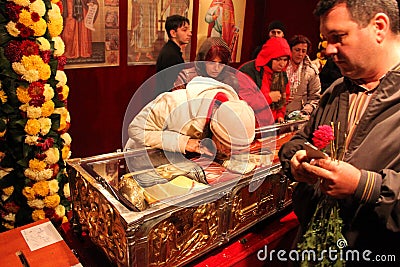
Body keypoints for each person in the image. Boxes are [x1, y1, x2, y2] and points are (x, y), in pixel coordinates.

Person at [279, 0, 400, 260]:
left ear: (379, 27)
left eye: (338, 37)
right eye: (325, 39)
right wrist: (297, 160)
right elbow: (301, 140)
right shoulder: (337, 90)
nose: (328, 50)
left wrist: (363, 185)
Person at [125, 76, 255, 158]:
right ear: (215, 130)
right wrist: (183, 142)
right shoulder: (175, 104)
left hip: (173, 159)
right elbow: (135, 129)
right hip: (143, 156)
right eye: (227, 147)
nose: (228, 153)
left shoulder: (233, 109)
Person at [174, 37, 273, 127]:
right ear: (203, 60)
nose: (216, 68)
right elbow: (175, 111)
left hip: (221, 132)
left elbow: (235, 113)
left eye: (221, 64)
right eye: (212, 62)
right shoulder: (186, 77)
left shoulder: (231, 81)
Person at [239, 37, 291, 124]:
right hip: (250, 125)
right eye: (278, 59)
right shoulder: (248, 71)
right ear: (269, 57)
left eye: (285, 60)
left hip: (272, 126)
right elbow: (244, 102)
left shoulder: (282, 75)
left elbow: (284, 100)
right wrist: (269, 98)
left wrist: (280, 115)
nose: (282, 64)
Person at [285, 35, 321, 118]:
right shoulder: (280, 66)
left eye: (303, 51)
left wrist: (304, 112)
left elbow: (315, 98)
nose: (300, 54)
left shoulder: (311, 71)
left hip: (299, 119)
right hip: (277, 116)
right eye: (297, 50)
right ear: (290, 50)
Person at [155, 15, 192, 94]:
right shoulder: (171, 55)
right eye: (184, 30)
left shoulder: (172, 50)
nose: (189, 34)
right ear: (173, 33)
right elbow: (173, 86)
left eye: (189, 30)